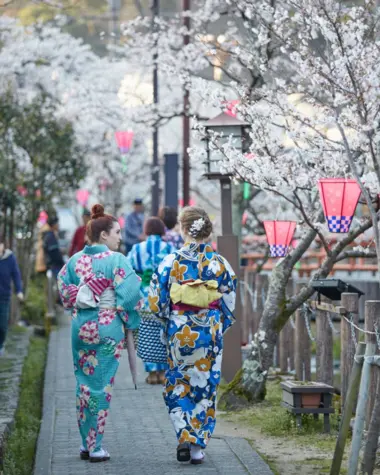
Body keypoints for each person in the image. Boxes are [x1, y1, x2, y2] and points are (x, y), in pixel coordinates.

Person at [148, 206, 237, 465]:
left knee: (179, 382)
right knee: (206, 385)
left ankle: (183, 436)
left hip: (179, 330)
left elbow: (156, 302)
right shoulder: (219, 263)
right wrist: (218, 326)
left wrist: (169, 320)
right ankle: (198, 447)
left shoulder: (171, 261)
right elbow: (229, 301)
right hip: (209, 331)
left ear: (183, 228)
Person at [57, 204, 142, 463]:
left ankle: (86, 442)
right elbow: (131, 297)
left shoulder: (74, 261)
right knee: (101, 386)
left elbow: (64, 290)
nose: (120, 237)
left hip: (80, 326)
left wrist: (78, 298)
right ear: (103, 235)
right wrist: (130, 322)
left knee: (84, 383)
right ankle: (95, 447)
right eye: (117, 232)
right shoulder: (117, 261)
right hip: (107, 327)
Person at [127, 217, 174, 384]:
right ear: (162, 230)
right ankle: (163, 372)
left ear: (146, 230)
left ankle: (151, 373)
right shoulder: (169, 247)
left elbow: (128, 270)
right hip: (164, 295)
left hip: (144, 296)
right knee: (163, 333)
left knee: (147, 334)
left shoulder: (137, 248)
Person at [0, 235, 24, 357]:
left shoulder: (10, 258)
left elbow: (16, 275)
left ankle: (1, 345)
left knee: (3, 326)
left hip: (4, 297)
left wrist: (19, 291)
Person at [43, 215, 65, 279]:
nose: (58, 225)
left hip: (55, 266)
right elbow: (54, 254)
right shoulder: (50, 237)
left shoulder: (52, 235)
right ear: (53, 225)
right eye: (57, 223)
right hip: (55, 266)